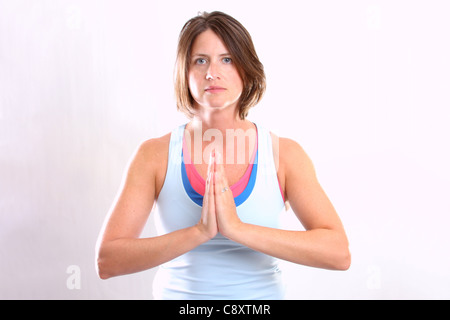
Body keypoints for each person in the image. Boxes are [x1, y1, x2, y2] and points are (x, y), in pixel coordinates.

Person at [95, 11, 350, 299]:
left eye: (226, 59)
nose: (211, 72)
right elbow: (108, 261)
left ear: (246, 68)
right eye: (200, 60)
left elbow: (338, 253)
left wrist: (237, 229)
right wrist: (199, 232)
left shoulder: (284, 155)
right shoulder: (154, 155)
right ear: (185, 72)